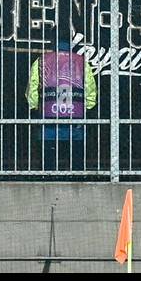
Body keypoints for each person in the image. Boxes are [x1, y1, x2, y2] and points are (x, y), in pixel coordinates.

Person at [26, 27, 98, 173]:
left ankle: (49, 182)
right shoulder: (81, 61)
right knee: (76, 162)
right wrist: (88, 107)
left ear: (52, 40)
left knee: (48, 164)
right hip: (75, 120)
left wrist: (35, 106)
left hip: (48, 120)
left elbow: (32, 89)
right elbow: (90, 88)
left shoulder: (41, 61)